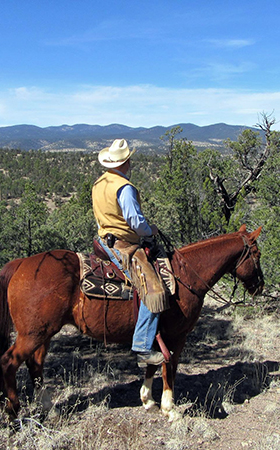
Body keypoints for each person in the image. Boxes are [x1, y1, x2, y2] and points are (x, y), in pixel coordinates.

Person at [92, 138, 169, 366]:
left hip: (104, 239)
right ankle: (143, 347)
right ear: (125, 163)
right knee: (153, 291)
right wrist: (150, 229)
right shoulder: (124, 188)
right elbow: (135, 221)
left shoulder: (100, 183)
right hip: (122, 245)